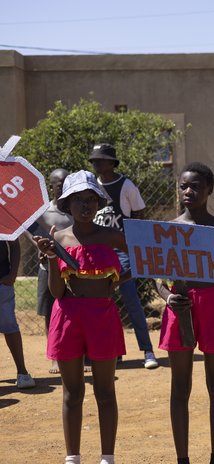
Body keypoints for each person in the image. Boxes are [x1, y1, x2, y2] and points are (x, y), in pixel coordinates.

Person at [34, 170, 127, 464]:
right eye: (78, 200)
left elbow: (144, 258)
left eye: (91, 199)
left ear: (99, 203)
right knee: (72, 392)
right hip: (68, 318)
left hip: (103, 316)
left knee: (105, 391)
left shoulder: (113, 236)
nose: (85, 206)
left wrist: (120, 280)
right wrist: (51, 258)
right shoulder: (58, 238)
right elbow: (57, 292)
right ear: (66, 204)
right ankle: (72, 457)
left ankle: (107, 457)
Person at [156, 162, 214, 464]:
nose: (188, 191)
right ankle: (183, 459)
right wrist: (169, 298)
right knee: (179, 387)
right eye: (183, 186)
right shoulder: (169, 229)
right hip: (179, 309)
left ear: (210, 189)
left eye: (195, 186)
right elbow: (158, 280)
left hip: (213, 306)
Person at [90, 143, 158, 369]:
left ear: (111, 162)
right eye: (94, 161)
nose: (96, 164)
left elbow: (138, 215)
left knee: (130, 299)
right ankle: (114, 351)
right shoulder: (92, 186)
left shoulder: (125, 185)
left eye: (100, 160)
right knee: (104, 301)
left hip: (122, 250)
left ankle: (147, 350)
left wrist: (135, 247)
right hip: (100, 251)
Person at [36, 168, 73, 374]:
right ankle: (55, 358)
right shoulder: (43, 212)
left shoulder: (77, 210)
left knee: (75, 312)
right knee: (52, 316)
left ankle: (81, 355)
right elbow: (31, 233)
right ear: (51, 187)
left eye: (67, 182)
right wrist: (39, 250)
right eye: (59, 184)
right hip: (48, 269)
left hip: (73, 271)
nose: (63, 186)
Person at [0, 239, 36, 389]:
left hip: (2, 282)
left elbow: (14, 245)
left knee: (9, 326)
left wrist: (13, 274)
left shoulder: (3, 217)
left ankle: (22, 372)